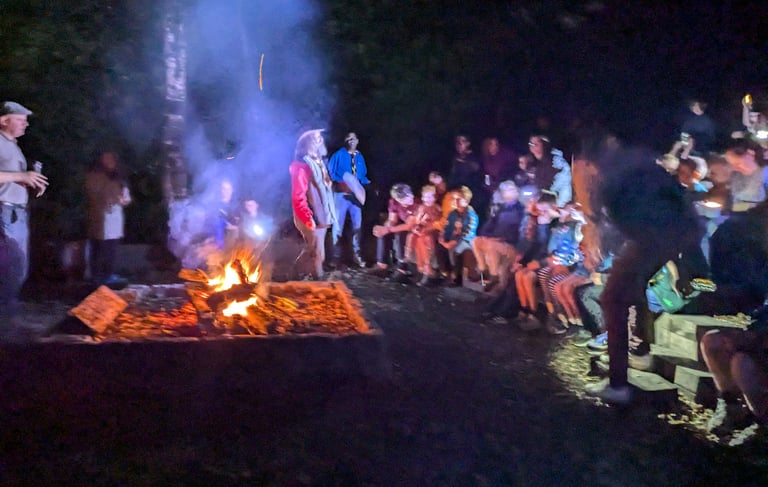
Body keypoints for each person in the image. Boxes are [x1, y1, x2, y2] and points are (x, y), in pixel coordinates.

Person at [586, 151, 705, 404]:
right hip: (668, 234)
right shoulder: (641, 168)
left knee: (612, 298)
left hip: (657, 235)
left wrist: (595, 225)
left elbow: (630, 215)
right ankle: (637, 348)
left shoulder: (619, 174)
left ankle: (619, 383)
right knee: (626, 292)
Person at [0, 101, 49, 337]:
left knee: (18, 268)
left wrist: (29, 183)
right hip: (5, 213)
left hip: (16, 212)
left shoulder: (12, 146)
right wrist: (22, 175)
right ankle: (6, 326)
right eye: (21, 119)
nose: (26, 124)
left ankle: (8, 320)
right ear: (3, 120)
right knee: (11, 268)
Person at [289, 129, 337, 280]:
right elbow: (298, 196)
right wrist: (308, 217)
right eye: (315, 137)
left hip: (321, 214)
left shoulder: (319, 162)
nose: (320, 139)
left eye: (320, 137)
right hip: (311, 214)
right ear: (307, 143)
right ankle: (316, 280)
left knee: (315, 250)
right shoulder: (301, 165)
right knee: (316, 252)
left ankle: (297, 274)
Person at [85, 150, 131, 285]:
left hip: (115, 218)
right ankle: (96, 277)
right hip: (100, 217)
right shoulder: (94, 176)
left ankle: (109, 275)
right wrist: (109, 196)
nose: (109, 161)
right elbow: (93, 193)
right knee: (98, 248)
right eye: (106, 158)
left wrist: (123, 199)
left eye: (111, 158)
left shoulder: (120, 178)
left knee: (111, 248)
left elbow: (126, 197)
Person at [327, 132, 370, 267]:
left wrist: (364, 187)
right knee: (338, 226)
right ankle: (336, 256)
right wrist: (344, 181)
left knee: (357, 225)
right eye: (349, 138)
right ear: (345, 141)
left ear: (357, 141)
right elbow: (332, 172)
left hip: (355, 196)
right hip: (341, 194)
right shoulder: (339, 155)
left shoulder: (359, 156)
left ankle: (358, 255)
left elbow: (362, 175)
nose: (352, 141)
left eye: (354, 138)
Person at [472, 180, 524, 292]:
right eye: (506, 191)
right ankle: (483, 269)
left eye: (511, 190)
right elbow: (490, 224)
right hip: (496, 241)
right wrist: (486, 235)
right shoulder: (501, 208)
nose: (509, 193)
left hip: (511, 244)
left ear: (516, 192)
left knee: (492, 245)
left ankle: (494, 276)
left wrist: (501, 238)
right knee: (476, 240)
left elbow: (519, 231)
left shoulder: (521, 210)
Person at [370, 183, 418, 281]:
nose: (411, 197)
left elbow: (409, 226)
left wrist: (388, 229)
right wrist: (386, 227)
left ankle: (402, 268)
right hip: (402, 224)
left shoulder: (416, 204)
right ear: (399, 200)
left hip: (414, 228)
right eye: (407, 197)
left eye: (410, 194)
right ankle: (382, 264)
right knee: (383, 233)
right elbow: (393, 220)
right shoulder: (394, 202)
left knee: (400, 234)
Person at [439, 185, 478, 286]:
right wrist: (442, 237)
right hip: (454, 238)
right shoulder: (453, 213)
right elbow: (447, 227)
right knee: (440, 244)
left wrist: (453, 241)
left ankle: (456, 276)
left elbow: (468, 232)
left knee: (457, 248)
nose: (456, 202)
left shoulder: (471, 215)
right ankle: (444, 270)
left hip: (467, 240)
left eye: (459, 199)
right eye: (455, 199)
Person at [410, 185, 442, 286]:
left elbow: (438, 222)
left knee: (426, 239)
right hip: (422, 231)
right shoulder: (421, 208)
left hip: (433, 231)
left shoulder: (437, 208)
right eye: (425, 197)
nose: (428, 199)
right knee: (417, 238)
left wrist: (428, 227)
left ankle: (429, 269)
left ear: (434, 197)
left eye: (430, 197)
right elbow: (417, 221)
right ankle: (422, 268)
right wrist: (417, 226)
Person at [724, 139, 768, 212]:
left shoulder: (765, 173)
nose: (735, 168)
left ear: (750, 153)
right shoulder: (736, 175)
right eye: (732, 165)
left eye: (738, 164)